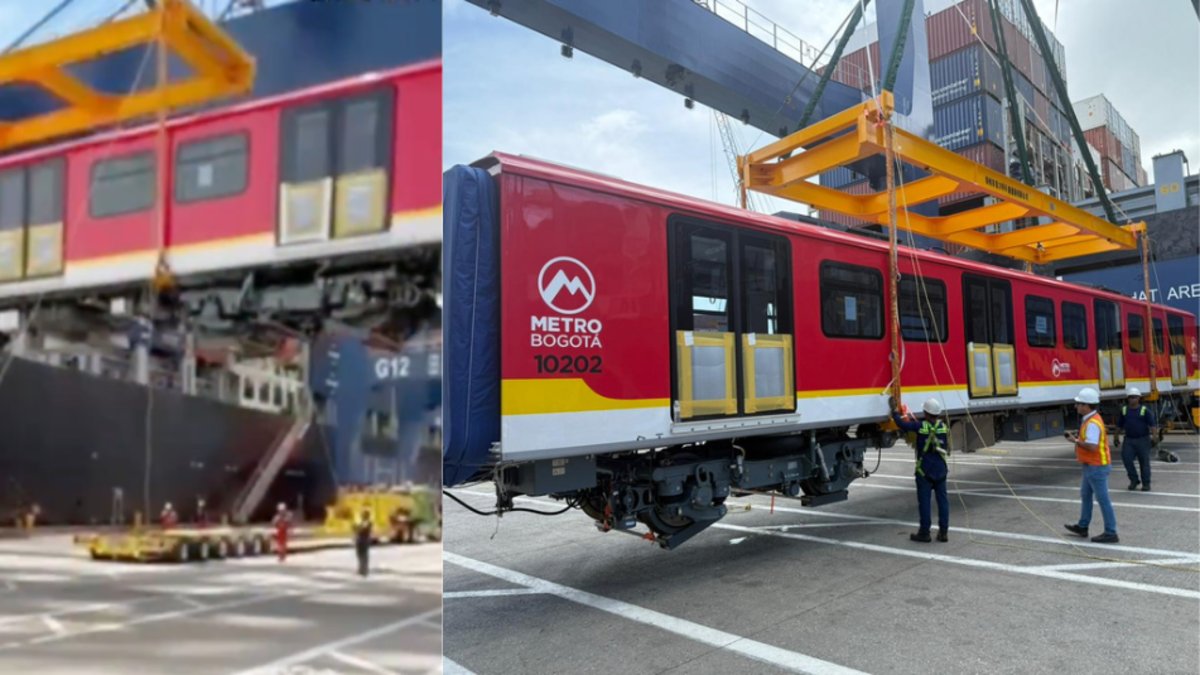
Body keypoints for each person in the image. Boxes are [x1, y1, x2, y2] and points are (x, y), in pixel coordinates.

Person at [891, 398, 950, 543]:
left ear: (926, 413)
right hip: (941, 469)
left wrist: (895, 412)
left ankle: (924, 533)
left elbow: (902, 425)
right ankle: (943, 532)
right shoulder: (943, 427)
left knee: (924, 503)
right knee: (943, 501)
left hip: (925, 471)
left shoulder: (920, 426)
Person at [1064, 387, 1119, 543]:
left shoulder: (1092, 422)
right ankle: (1083, 526)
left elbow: (1092, 446)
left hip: (1097, 466)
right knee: (1086, 495)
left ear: (1086, 406)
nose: (1076, 406)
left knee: (1103, 500)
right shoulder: (1091, 419)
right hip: (1092, 465)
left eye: (1079, 403)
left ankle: (1111, 532)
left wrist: (1075, 440)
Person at [1117, 387, 1156, 491]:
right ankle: (1134, 480)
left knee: (1144, 463)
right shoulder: (1124, 410)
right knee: (1127, 459)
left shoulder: (1144, 410)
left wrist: (1154, 437)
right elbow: (1119, 425)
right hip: (1129, 440)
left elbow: (1152, 425)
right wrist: (1116, 437)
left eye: (1134, 397)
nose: (1132, 399)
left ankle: (1146, 483)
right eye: (1130, 397)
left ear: (1139, 398)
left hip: (1143, 440)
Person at [354, 509, 373, 577]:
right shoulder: (361, 522)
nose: (362, 515)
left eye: (363, 514)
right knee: (359, 555)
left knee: (364, 555)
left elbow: (362, 530)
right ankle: (361, 568)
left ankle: (364, 569)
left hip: (364, 540)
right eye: (362, 514)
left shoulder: (368, 522)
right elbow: (356, 529)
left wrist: (357, 528)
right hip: (359, 540)